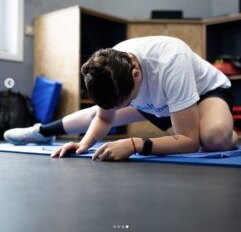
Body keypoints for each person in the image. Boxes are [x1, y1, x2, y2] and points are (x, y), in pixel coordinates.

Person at [4, 36, 238, 161]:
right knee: (96, 113)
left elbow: (189, 141)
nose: (122, 108)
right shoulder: (109, 66)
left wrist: (135, 144)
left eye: (125, 101)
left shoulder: (171, 60)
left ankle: (231, 131)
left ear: (136, 74)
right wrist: (83, 145)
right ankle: (41, 131)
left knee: (212, 137)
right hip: (160, 103)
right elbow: (104, 119)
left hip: (205, 94)